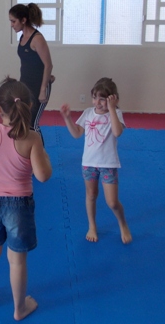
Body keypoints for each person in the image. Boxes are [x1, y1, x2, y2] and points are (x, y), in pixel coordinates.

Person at [0, 77, 52, 321]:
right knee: (16, 261)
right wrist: (45, 155)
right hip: (19, 205)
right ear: (29, 106)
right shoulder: (32, 138)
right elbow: (43, 176)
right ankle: (19, 309)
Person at [60, 77, 132, 244]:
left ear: (112, 99)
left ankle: (123, 223)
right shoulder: (88, 113)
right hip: (89, 163)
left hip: (108, 164)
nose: (97, 103)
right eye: (94, 98)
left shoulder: (116, 114)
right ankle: (92, 226)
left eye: (102, 99)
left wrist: (112, 108)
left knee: (112, 202)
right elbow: (77, 134)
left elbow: (117, 132)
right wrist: (67, 118)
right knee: (91, 195)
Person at [9, 3, 54, 142]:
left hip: (39, 88)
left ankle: (41, 154)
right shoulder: (22, 38)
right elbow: (29, 63)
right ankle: (28, 152)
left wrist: (43, 89)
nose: (11, 25)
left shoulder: (37, 39)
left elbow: (48, 65)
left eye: (13, 21)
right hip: (25, 86)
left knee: (33, 124)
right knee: (23, 121)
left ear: (23, 20)